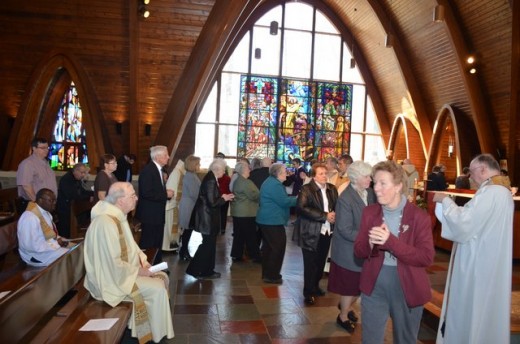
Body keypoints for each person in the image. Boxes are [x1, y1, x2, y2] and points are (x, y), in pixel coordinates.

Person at [432, 154, 513, 344]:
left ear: (483, 169)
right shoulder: (503, 192)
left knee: (472, 309)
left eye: (472, 171)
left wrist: (445, 201)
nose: (470, 177)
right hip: (490, 262)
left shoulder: (491, 192)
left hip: (478, 265)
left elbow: (464, 223)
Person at [354, 160, 434, 344]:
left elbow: (426, 257)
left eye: (383, 183)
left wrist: (390, 241)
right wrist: (369, 242)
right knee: (370, 340)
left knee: (405, 339)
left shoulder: (418, 217)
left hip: (407, 286)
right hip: (374, 284)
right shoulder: (369, 213)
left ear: (398, 186)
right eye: (375, 183)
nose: (376, 188)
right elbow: (358, 252)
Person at [83, 182, 174, 343]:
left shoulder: (118, 216)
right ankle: (152, 336)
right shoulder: (105, 223)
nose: (137, 198)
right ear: (120, 200)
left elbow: (132, 247)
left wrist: (144, 263)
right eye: (132, 196)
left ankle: (147, 331)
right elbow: (112, 264)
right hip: (110, 281)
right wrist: (140, 272)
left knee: (162, 277)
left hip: (121, 273)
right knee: (157, 288)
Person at [328, 161, 376, 333]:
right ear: (356, 178)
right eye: (367, 176)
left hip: (363, 248)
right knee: (351, 286)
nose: (370, 179)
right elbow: (345, 229)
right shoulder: (346, 198)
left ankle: (345, 306)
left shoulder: (368, 192)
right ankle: (342, 316)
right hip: (349, 250)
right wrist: (370, 237)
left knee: (362, 284)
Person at [292, 163, 338, 305]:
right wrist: (324, 216)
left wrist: (334, 215)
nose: (324, 176)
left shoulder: (332, 189)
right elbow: (302, 208)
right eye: (321, 174)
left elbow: (337, 205)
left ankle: (316, 286)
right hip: (310, 231)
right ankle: (308, 291)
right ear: (313, 176)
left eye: (325, 173)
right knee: (310, 263)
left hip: (326, 230)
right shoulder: (306, 189)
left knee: (320, 261)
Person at [186, 158, 234, 279]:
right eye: (223, 170)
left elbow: (211, 198)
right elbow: (212, 202)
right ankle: (194, 270)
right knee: (207, 245)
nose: (224, 172)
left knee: (211, 245)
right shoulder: (211, 180)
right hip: (206, 218)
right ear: (217, 170)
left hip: (208, 218)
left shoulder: (212, 178)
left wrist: (223, 196)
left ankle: (208, 271)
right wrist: (224, 198)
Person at [256, 163, 297, 284]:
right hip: (271, 220)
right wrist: (300, 199)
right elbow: (284, 201)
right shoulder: (274, 185)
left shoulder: (272, 182)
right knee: (277, 247)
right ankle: (272, 275)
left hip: (268, 220)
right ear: (278, 174)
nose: (287, 173)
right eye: (285, 171)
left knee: (269, 247)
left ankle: (268, 274)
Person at [136, 146, 172, 265]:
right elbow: (146, 193)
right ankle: (146, 267)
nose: (168, 157)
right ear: (157, 157)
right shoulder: (148, 170)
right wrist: (165, 194)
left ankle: (156, 265)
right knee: (148, 242)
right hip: (150, 214)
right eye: (166, 155)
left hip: (156, 213)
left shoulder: (158, 170)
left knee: (157, 242)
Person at [17, 188, 69, 267]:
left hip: (45, 250)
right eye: (51, 200)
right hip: (35, 256)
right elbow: (31, 246)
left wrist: (59, 238)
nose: (54, 203)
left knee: (75, 250)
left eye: (55, 200)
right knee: (69, 257)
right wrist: (55, 244)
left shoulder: (45, 213)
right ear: (40, 200)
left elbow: (51, 234)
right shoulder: (30, 218)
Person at [229, 161, 261, 263]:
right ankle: (256, 256)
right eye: (248, 169)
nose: (249, 170)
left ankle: (236, 254)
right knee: (251, 236)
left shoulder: (238, 180)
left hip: (238, 212)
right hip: (246, 213)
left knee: (239, 235)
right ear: (243, 171)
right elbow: (255, 195)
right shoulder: (246, 182)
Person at [16, 137, 57, 213]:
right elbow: (26, 186)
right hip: (33, 205)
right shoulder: (28, 164)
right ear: (34, 148)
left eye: (47, 147)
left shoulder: (45, 163)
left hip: (46, 205)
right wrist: (38, 204)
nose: (46, 150)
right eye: (43, 148)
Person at [56, 163, 94, 238]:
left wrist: (93, 193)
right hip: (65, 209)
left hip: (72, 210)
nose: (83, 175)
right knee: (65, 231)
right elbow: (73, 195)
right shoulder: (67, 179)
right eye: (82, 172)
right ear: (75, 171)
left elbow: (82, 191)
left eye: (84, 172)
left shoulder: (76, 178)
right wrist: (88, 197)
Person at [177, 155, 201, 261]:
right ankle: (183, 252)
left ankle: (184, 251)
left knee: (188, 230)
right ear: (193, 165)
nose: (199, 166)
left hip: (190, 204)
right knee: (187, 229)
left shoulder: (192, 175)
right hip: (188, 205)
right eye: (198, 164)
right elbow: (194, 193)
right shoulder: (190, 176)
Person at [163, 159, 185, 252]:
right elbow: (170, 190)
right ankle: (166, 247)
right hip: (170, 206)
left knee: (173, 226)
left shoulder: (180, 173)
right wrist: (174, 202)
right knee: (168, 227)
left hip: (175, 205)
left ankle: (173, 246)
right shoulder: (176, 173)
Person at [215, 152, 231, 235]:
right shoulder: (225, 169)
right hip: (222, 194)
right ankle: (221, 229)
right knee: (222, 213)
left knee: (221, 213)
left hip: (221, 194)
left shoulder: (225, 168)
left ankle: (220, 228)